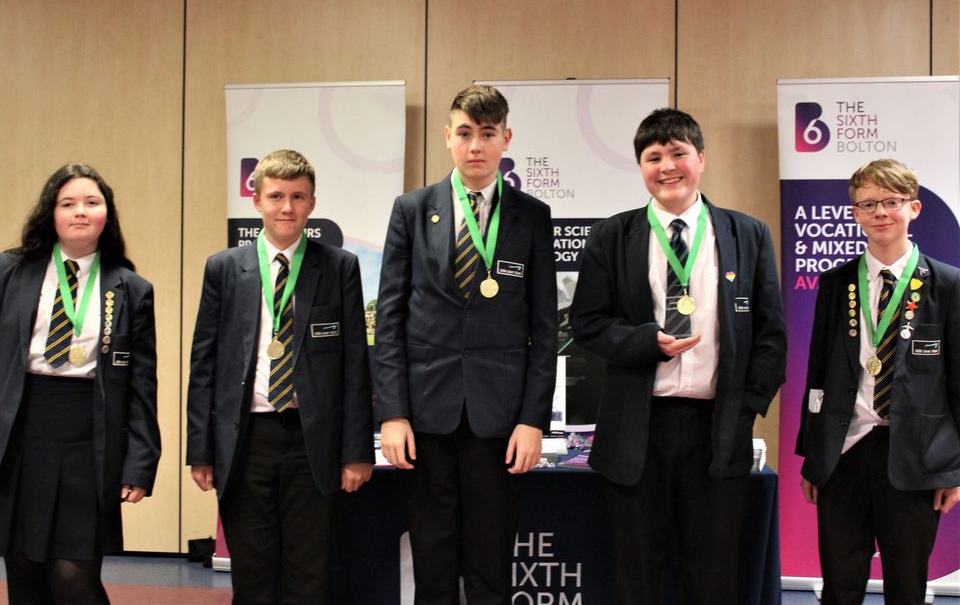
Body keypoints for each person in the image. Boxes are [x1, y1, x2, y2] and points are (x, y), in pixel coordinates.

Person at [570, 108, 786, 604]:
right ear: (641, 167)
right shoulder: (611, 236)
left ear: (701, 159)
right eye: (653, 157)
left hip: (718, 429)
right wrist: (646, 340)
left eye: (678, 153)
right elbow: (588, 325)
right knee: (636, 575)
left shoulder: (746, 235)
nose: (667, 166)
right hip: (637, 432)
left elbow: (770, 335)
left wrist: (745, 409)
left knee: (713, 577)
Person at [375, 84, 557, 604]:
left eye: (487, 134)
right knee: (432, 563)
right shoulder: (412, 209)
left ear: (506, 139)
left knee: (490, 564)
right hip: (425, 418)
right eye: (464, 134)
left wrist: (532, 419)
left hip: (500, 421)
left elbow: (544, 329)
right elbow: (388, 319)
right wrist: (392, 413)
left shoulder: (532, 216)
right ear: (447, 138)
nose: (475, 145)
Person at [186, 149, 373, 604]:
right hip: (245, 440)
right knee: (252, 573)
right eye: (275, 196)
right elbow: (204, 364)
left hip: (312, 443)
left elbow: (354, 363)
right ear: (256, 201)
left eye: (297, 197)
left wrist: (355, 452)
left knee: (308, 574)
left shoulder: (338, 266)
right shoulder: (225, 268)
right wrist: (200, 450)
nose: (286, 207)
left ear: (312, 203)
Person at [796, 158, 960, 605]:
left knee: (906, 586)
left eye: (891, 202)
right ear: (855, 213)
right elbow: (818, 371)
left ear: (915, 209)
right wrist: (813, 454)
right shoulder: (836, 283)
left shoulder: (947, 284)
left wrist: (955, 470)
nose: (880, 213)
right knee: (840, 583)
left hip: (916, 458)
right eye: (868, 204)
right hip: (844, 451)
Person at [0, 163, 161, 605]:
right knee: (25, 571)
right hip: (20, 434)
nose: (79, 212)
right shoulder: (10, 271)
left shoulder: (130, 288)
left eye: (92, 203)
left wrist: (140, 462)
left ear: (107, 215)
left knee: (74, 577)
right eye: (67, 203)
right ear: (49, 214)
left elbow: (142, 385)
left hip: (90, 439)